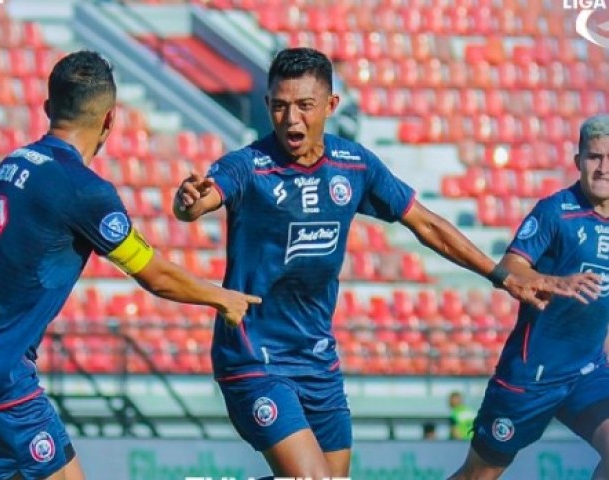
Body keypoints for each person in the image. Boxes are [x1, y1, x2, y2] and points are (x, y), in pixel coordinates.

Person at [172, 47, 600, 479]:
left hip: (317, 358)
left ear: (330, 106)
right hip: (253, 355)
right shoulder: (248, 166)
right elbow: (201, 200)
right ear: (267, 105)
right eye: (280, 107)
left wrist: (500, 275)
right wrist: (189, 201)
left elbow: (426, 225)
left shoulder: (353, 164)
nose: (291, 120)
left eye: (304, 106)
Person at [0, 50, 261, 480]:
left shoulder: (11, 165)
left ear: (48, 109)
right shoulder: (84, 190)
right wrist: (222, 298)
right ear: (109, 121)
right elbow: (154, 275)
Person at [449, 115, 609, 479]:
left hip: (587, 372)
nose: (603, 169)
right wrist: (554, 281)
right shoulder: (556, 211)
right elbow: (510, 266)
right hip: (530, 376)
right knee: (480, 474)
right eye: (594, 157)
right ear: (577, 161)